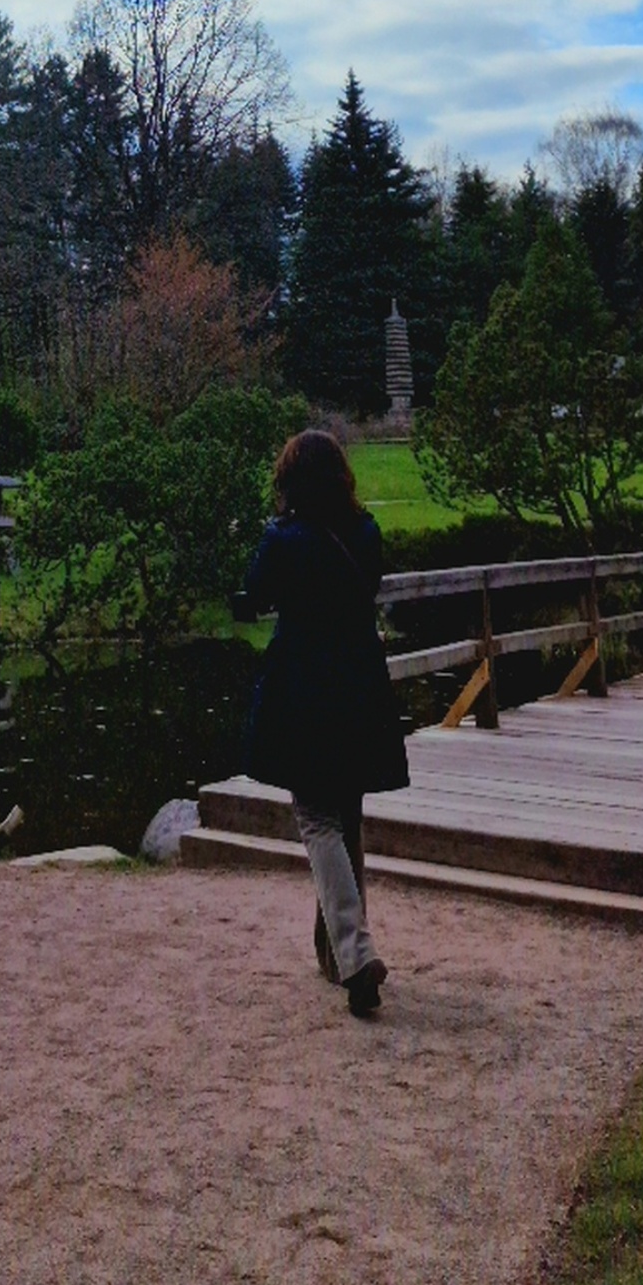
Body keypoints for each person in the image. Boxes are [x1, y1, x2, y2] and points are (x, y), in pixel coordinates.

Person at [240, 429, 409, 1019]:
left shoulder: (283, 538)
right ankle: (337, 951)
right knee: (347, 818)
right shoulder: (364, 532)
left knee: (316, 819)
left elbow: (253, 596)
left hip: (306, 691)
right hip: (359, 687)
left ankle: (356, 955)